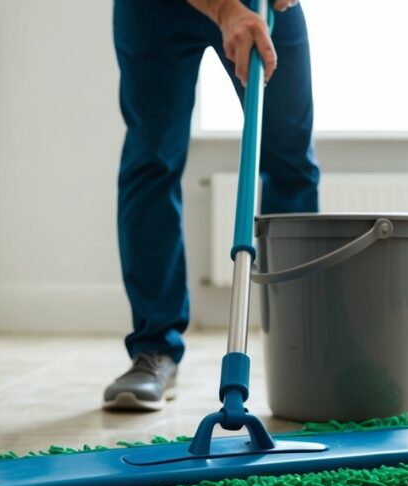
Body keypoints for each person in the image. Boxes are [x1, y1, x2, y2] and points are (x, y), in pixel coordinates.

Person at [104, 0, 320, 410]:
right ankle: (154, 348)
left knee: (290, 159)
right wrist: (225, 10)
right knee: (151, 161)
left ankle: (302, 349)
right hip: (153, 11)